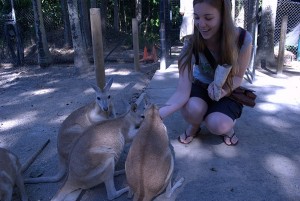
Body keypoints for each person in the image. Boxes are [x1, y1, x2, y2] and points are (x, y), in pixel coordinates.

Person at [159, 0, 253, 146]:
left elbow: (238, 77)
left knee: (217, 124)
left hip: (227, 88)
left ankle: (226, 128)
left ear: (223, 16)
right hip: (200, 86)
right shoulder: (191, 43)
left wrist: (223, 92)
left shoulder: (242, 39)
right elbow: (182, 93)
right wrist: (156, 116)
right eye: (197, 17)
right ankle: (195, 125)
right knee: (192, 109)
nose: (201, 24)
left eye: (208, 18)